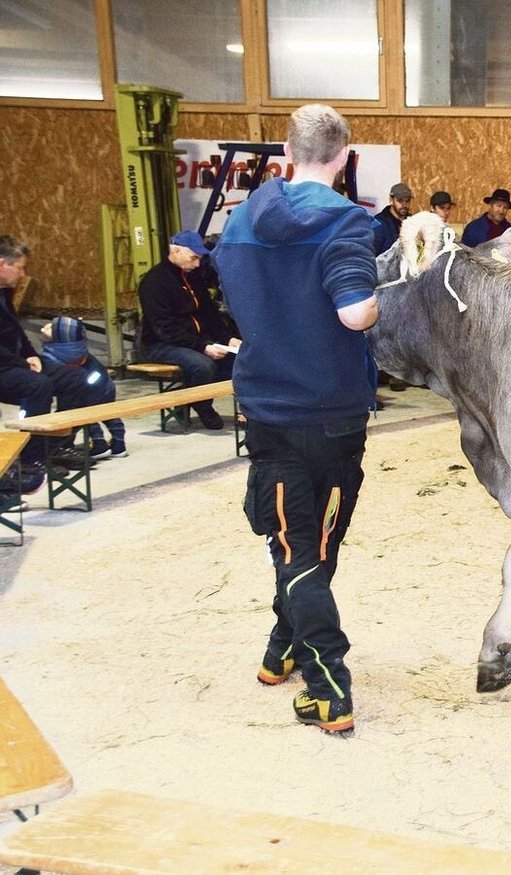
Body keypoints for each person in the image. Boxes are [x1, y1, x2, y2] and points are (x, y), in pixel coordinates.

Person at [212, 103, 380, 736]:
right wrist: (377, 302)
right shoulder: (346, 224)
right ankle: (329, 683)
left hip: (265, 408)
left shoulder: (242, 220)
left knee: (296, 545)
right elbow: (354, 312)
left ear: (287, 151)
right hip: (332, 410)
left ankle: (282, 647)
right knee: (313, 546)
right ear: (343, 156)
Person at [0, 235, 85, 494]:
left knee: (75, 379)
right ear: (2, 264)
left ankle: (56, 448)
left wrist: (31, 354)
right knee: (39, 386)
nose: (23, 274)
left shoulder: (5, 292)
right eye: (21, 267)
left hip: (15, 362)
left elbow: (15, 331)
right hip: (3, 367)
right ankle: (30, 461)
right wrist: (23, 363)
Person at [137, 230, 239, 430]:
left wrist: (228, 339)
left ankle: (186, 397)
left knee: (238, 362)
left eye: (199, 259)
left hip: (194, 341)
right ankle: (202, 406)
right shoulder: (154, 282)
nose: (197, 264)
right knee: (203, 366)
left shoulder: (194, 279)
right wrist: (203, 347)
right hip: (161, 344)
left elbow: (210, 315)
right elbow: (164, 328)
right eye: (193, 258)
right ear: (175, 251)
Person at [39, 317, 126, 459]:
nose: (44, 329)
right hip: (103, 384)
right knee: (108, 415)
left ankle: (99, 444)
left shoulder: (59, 352)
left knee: (83, 414)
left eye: (50, 328)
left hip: (88, 386)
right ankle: (118, 444)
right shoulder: (78, 347)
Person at [372, 182, 413, 255]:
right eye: (400, 201)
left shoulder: (413, 221)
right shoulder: (378, 223)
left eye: (407, 201)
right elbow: (372, 256)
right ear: (391, 201)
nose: (404, 205)